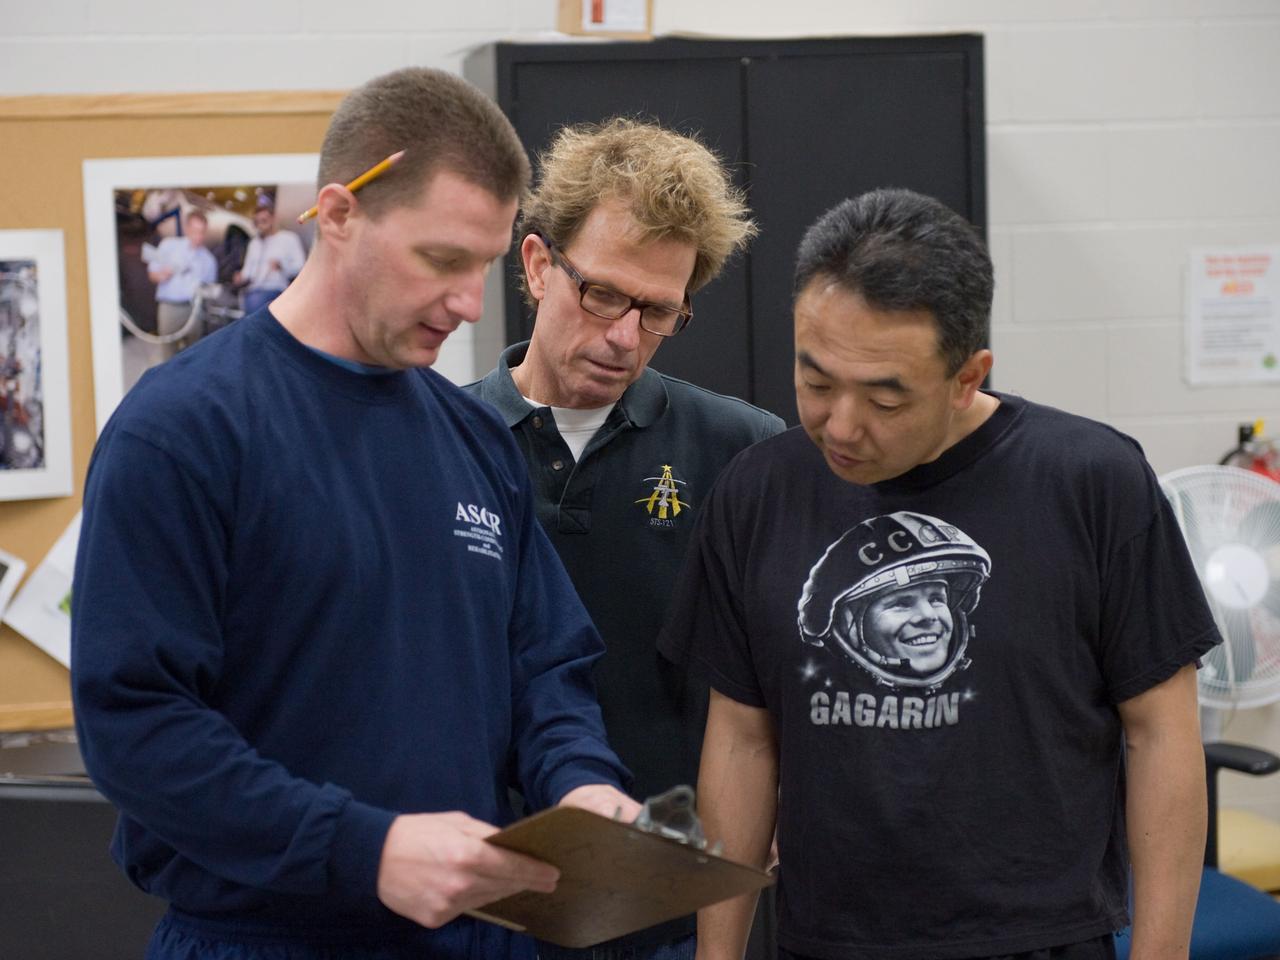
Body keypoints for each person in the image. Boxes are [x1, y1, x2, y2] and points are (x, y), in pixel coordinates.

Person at [72, 66, 639, 960]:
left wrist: (580, 787)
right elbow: (137, 726)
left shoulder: (473, 439)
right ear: (338, 215)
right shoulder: (184, 431)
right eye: (441, 260)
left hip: (477, 935)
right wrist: (362, 848)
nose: (466, 304)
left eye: (484, 268)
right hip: (263, 937)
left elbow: (545, 665)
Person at [658, 188, 1218, 960]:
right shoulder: (759, 493)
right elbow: (742, 742)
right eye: (817, 382)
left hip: (1039, 939)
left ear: (967, 376)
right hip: (826, 941)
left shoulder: (1093, 481)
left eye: (885, 398)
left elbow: (1160, 734)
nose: (842, 426)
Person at [465, 118, 784, 960]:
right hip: (476, 910)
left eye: (657, 313)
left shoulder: (742, 452)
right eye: (601, 293)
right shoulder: (439, 441)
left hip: (668, 916)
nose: (621, 337)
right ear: (537, 266)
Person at [146, 208, 216, 343]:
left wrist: (206, 291)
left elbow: (210, 289)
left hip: (194, 311)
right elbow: (152, 275)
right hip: (169, 309)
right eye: (195, 231)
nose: (198, 236)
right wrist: (162, 275)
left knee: (193, 353)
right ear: (186, 228)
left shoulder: (209, 260)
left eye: (201, 232)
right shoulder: (168, 246)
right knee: (168, 354)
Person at [234, 196, 307, 315]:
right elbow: (248, 273)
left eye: (264, 221)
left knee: (254, 303)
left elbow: (301, 267)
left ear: (273, 219)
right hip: (253, 290)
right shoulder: (254, 243)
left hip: (276, 289)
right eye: (257, 222)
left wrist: (282, 266)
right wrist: (240, 277)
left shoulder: (289, 239)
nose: (260, 226)